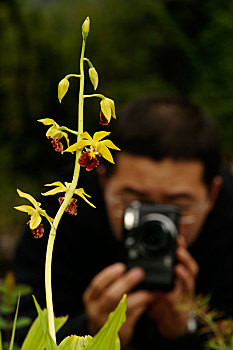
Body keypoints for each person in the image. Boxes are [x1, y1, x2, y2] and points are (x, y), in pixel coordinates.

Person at [13, 95, 233, 349]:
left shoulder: (227, 223)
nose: (153, 223)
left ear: (213, 194)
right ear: (103, 182)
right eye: (133, 201)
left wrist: (187, 330)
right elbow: (19, 322)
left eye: (178, 206)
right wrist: (89, 332)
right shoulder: (65, 206)